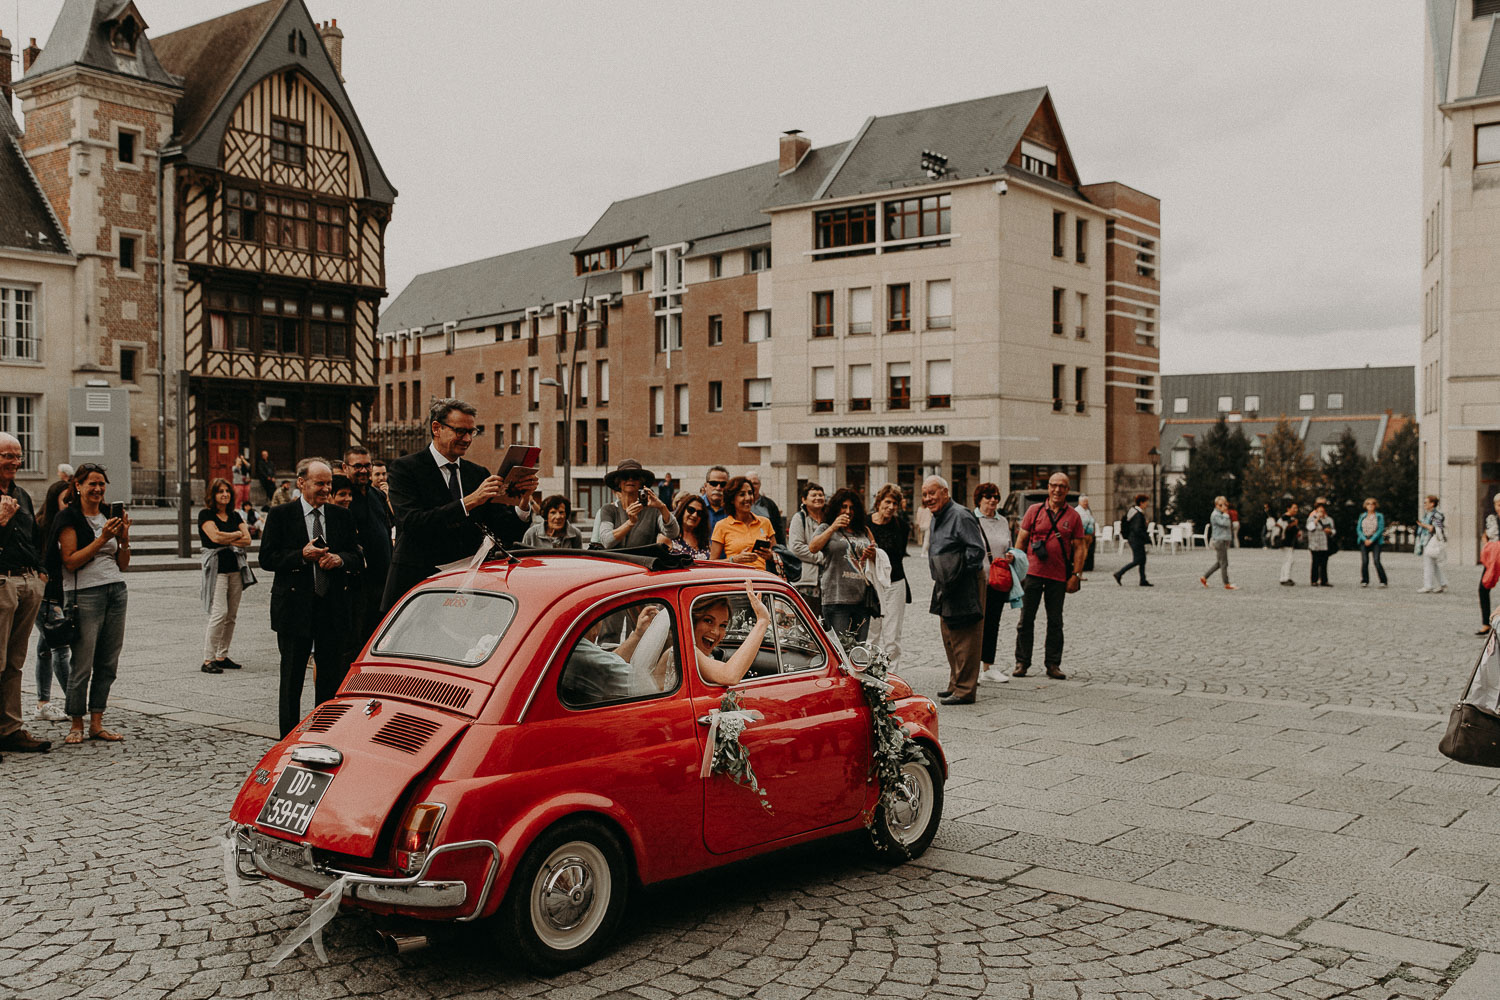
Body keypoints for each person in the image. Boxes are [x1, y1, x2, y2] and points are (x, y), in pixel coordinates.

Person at [382, 398, 536, 613]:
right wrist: (471, 501)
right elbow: (412, 522)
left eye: (472, 432)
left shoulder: (478, 473)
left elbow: (505, 531)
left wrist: (523, 503)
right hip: (419, 584)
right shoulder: (404, 469)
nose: (467, 439)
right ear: (437, 428)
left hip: (466, 588)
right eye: (460, 431)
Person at [260, 458, 364, 737]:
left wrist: (339, 559)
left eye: (329, 483)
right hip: (294, 609)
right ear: (301, 483)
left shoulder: (341, 515)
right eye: (320, 483)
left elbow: (357, 556)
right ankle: (288, 736)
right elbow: (267, 558)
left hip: (331, 607)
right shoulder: (281, 514)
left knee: (329, 678)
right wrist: (301, 556)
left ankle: (323, 732)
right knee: (292, 678)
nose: (326, 489)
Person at [55, 463, 130, 745]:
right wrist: (103, 539)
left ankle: (97, 721)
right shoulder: (70, 518)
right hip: (84, 593)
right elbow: (71, 561)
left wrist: (123, 539)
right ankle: (76, 722)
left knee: (108, 661)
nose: (97, 489)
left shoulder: (110, 515)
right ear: (78, 486)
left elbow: (123, 563)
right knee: (82, 662)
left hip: (116, 590)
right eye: (92, 484)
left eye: (101, 484)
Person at [0, 432, 51, 755]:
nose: (15, 462)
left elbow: (33, 536)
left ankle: (9, 728)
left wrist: (41, 573)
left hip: (27, 581)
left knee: (15, 662)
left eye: (17, 456)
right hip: (1, 582)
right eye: (7, 456)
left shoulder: (22, 494)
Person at [1013, 472, 1086, 680]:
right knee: (1026, 619)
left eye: (1062, 486)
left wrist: (1076, 575)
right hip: (1032, 574)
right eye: (1054, 485)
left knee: (1055, 621)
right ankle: (1022, 662)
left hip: (1058, 576)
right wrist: (1017, 570)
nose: (1057, 490)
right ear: (1048, 487)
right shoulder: (1034, 511)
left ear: (1067, 489)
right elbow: (1021, 541)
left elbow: (1080, 548)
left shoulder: (1073, 516)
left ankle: (1053, 664)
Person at [923, 476, 987, 705]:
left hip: (964, 581)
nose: (928, 498)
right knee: (950, 636)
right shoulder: (937, 517)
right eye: (925, 494)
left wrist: (958, 575)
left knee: (966, 636)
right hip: (946, 582)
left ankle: (965, 689)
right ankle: (955, 683)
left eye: (932, 493)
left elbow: (976, 550)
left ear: (945, 492)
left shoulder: (960, 515)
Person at [804, 487, 877, 641]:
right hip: (836, 598)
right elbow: (813, 547)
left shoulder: (863, 530)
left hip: (862, 598)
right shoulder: (826, 528)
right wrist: (833, 527)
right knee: (840, 650)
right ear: (836, 508)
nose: (848, 511)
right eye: (844, 507)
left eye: (852, 507)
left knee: (858, 650)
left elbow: (876, 553)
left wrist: (874, 554)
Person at [198, 477, 252, 675]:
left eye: (227, 491)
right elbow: (215, 537)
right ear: (213, 494)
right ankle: (208, 658)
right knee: (219, 613)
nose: (225, 494)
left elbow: (247, 539)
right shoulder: (206, 514)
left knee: (231, 615)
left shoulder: (235, 515)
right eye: (220, 491)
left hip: (235, 569)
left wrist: (229, 538)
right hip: (217, 569)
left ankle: (222, 655)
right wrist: (235, 536)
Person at [342, 447, 394, 651]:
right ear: (346, 467)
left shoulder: (377, 495)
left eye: (367, 465)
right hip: (358, 583)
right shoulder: (344, 497)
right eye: (357, 466)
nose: (364, 470)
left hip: (382, 580)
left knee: (379, 639)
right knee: (355, 641)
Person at [33, 480, 73, 722]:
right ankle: (74, 701)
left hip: (61, 593)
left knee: (45, 649)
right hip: (46, 595)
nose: (70, 505)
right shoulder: (42, 527)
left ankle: (42, 703)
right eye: (66, 501)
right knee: (60, 647)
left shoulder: (69, 525)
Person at [692, 582, 772, 686]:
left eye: (723, 625)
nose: (715, 632)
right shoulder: (682, 652)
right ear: (693, 620)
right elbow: (729, 676)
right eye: (708, 621)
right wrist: (762, 620)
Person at [866, 485, 911, 669]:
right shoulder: (866, 523)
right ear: (879, 502)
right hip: (871, 583)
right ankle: (869, 674)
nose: (891, 507)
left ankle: (892, 676)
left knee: (892, 636)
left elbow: (899, 555)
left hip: (895, 583)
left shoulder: (901, 526)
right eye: (888, 502)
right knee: (871, 633)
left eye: (895, 503)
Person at [972, 483, 1012, 683]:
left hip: (997, 581)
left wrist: (1011, 555)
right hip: (977, 581)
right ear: (979, 499)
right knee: (975, 624)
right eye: (988, 497)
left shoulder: (1003, 521)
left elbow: (1008, 546)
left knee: (992, 624)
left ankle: (988, 666)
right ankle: (971, 669)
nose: (993, 500)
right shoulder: (972, 520)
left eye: (996, 496)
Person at [597, 459, 679, 549]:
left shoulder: (653, 510)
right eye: (625, 476)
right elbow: (606, 541)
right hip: (616, 562)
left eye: (635, 476)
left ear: (641, 483)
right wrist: (630, 523)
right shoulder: (609, 509)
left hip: (643, 562)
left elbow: (673, 533)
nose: (630, 479)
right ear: (618, 483)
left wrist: (662, 507)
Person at [710, 475, 777, 572]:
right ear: (732, 499)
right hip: (736, 581)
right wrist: (734, 560)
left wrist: (770, 556)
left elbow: (778, 555)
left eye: (750, 493)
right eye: (742, 494)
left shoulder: (765, 522)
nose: (748, 498)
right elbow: (712, 564)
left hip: (762, 581)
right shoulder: (722, 526)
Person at [787, 482, 828, 615]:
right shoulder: (799, 518)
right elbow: (796, 548)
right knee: (808, 622)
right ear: (804, 499)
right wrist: (821, 558)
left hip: (828, 583)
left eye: (821, 495)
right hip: (807, 583)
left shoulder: (829, 519)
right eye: (814, 495)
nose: (818, 498)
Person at [1198, 496, 1238, 590]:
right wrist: (1225, 514)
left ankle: (1204, 577)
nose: (1223, 506)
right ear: (1216, 505)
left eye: (1225, 504)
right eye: (1221, 505)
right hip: (1219, 540)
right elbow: (1226, 524)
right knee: (1224, 563)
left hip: (1223, 540)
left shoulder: (1221, 513)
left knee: (1220, 563)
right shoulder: (1216, 514)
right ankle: (1226, 583)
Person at [1113, 494, 1152, 586]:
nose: (1147, 504)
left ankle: (1143, 580)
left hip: (1133, 538)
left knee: (1142, 560)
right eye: (1146, 502)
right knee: (1138, 560)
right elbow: (1137, 528)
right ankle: (1119, 573)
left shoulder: (1133, 512)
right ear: (1141, 503)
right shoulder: (1138, 514)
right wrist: (1146, 537)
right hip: (1136, 539)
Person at [663, 493, 712, 559]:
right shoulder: (667, 537)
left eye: (699, 513)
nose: (695, 515)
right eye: (691, 510)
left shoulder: (705, 541)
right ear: (682, 510)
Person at [1477, 493, 1499, 635]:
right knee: (1483, 587)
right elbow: (1487, 535)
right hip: (1494, 557)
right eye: (1499, 504)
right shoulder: (1492, 519)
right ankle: (1486, 622)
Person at [1417, 495, 1449, 594]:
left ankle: (1428, 586)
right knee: (1434, 565)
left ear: (1432, 504)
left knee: (1428, 565)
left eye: (1426, 502)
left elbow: (1436, 528)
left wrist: (1423, 525)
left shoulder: (1436, 515)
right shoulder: (1428, 514)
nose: (1424, 504)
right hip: (1427, 541)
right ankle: (1443, 583)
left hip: (1432, 542)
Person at [746, 469, 786, 545]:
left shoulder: (770, 505)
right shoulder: (739, 504)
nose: (752, 486)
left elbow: (778, 529)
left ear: (760, 485)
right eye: (749, 483)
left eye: (755, 483)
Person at [1356, 497, 1388, 589]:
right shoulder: (1362, 516)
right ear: (1365, 506)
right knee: (1365, 561)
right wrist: (1364, 539)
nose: (1370, 506)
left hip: (1375, 540)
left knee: (1376, 560)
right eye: (1368, 504)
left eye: (1372, 504)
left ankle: (1383, 580)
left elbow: (1380, 529)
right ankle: (1365, 580)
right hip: (1364, 540)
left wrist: (1372, 540)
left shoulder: (1379, 516)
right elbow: (1358, 529)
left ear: (1375, 505)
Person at [1306, 501, 1335, 587]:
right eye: (1319, 511)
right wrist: (1316, 520)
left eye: (1322, 511)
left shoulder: (1329, 519)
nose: (1321, 513)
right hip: (1314, 544)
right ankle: (1314, 580)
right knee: (1315, 562)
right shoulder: (1311, 518)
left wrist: (1330, 531)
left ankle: (1324, 580)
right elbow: (1309, 528)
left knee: (1324, 563)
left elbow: (1333, 530)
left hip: (1324, 544)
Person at [1278, 502, 1303, 585]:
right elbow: (1285, 528)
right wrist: (1293, 525)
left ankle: (1284, 577)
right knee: (1288, 560)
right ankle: (1285, 578)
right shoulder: (1285, 518)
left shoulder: (1289, 518)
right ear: (1288, 509)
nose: (1296, 510)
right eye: (1294, 508)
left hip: (1289, 542)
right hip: (1286, 541)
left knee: (1288, 560)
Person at [701, 466, 731, 533]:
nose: (718, 488)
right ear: (705, 486)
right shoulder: (694, 506)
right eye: (713, 483)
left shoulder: (733, 509)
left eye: (723, 484)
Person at [1077, 495, 1097, 574]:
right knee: (1082, 554)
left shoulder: (1087, 510)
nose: (1086, 503)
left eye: (1086, 501)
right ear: (1079, 502)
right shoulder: (1078, 511)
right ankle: (1079, 572)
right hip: (1083, 535)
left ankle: (1082, 570)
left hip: (1089, 535)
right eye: (1084, 501)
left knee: (1086, 554)